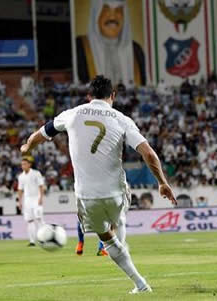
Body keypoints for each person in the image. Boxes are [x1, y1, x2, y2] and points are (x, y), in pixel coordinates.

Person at [20, 75, 176, 294]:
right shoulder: (122, 119)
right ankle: (120, 226)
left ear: (88, 96)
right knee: (118, 212)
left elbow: (42, 133)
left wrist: (28, 146)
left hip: (86, 197)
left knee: (106, 238)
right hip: (117, 194)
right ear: (113, 95)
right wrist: (162, 182)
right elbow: (148, 154)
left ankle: (140, 283)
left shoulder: (71, 114)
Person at [75, 0, 146, 85]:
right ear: (96, 14)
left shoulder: (136, 50)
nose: (112, 17)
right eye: (106, 10)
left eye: (118, 10)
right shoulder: (81, 47)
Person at [17, 157, 45, 247]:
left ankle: (43, 238)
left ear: (29, 164)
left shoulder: (36, 173)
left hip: (36, 198)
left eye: (25, 164)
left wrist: (41, 197)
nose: (23, 166)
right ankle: (32, 241)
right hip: (27, 200)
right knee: (29, 220)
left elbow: (41, 186)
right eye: (22, 164)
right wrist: (19, 201)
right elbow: (20, 190)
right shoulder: (21, 177)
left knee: (39, 218)